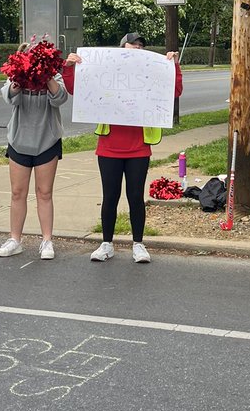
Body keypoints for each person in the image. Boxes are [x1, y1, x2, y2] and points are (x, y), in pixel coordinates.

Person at [63, 33, 182, 264]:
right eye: (132, 45)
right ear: (121, 48)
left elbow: (174, 92)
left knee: (135, 196)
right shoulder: (105, 71)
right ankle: (106, 244)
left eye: (140, 45)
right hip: (109, 147)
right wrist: (68, 67)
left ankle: (138, 244)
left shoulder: (150, 72)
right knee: (110, 196)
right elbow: (75, 90)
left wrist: (174, 67)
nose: (136, 48)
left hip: (138, 148)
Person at [0, 57, 68, 261]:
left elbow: (60, 98)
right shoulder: (16, 76)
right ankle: (15, 240)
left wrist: (46, 76)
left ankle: (46, 240)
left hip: (47, 139)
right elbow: (9, 96)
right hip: (19, 140)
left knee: (44, 193)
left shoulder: (54, 76)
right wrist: (18, 81)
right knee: (18, 192)